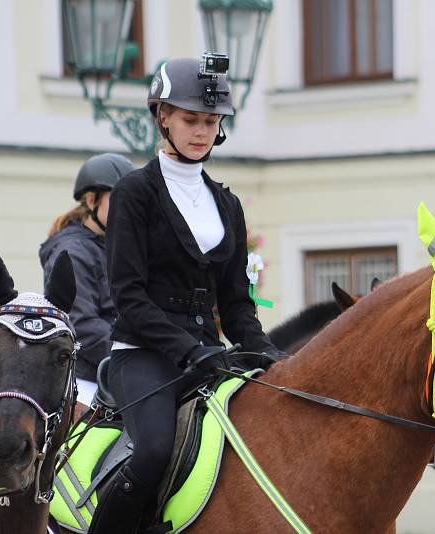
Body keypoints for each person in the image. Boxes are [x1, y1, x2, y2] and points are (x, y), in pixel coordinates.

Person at [87, 56, 279, 534]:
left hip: (207, 355)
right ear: (163, 117)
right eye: (190, 119)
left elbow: (236, 306)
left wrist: (268, 353)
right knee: (153, 452)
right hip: (143, 355)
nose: (201, 131)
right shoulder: (134, 193)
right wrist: (189, 350)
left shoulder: (228, 204)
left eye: (210, 121)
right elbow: (128, 297)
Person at [39, 153, 133, 405]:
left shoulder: (116, 245)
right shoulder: (72, 251)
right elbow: (82, 324)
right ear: (92, 200)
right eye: (120, 201)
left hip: (118, 366)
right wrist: (137, 354)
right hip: (86, 378)